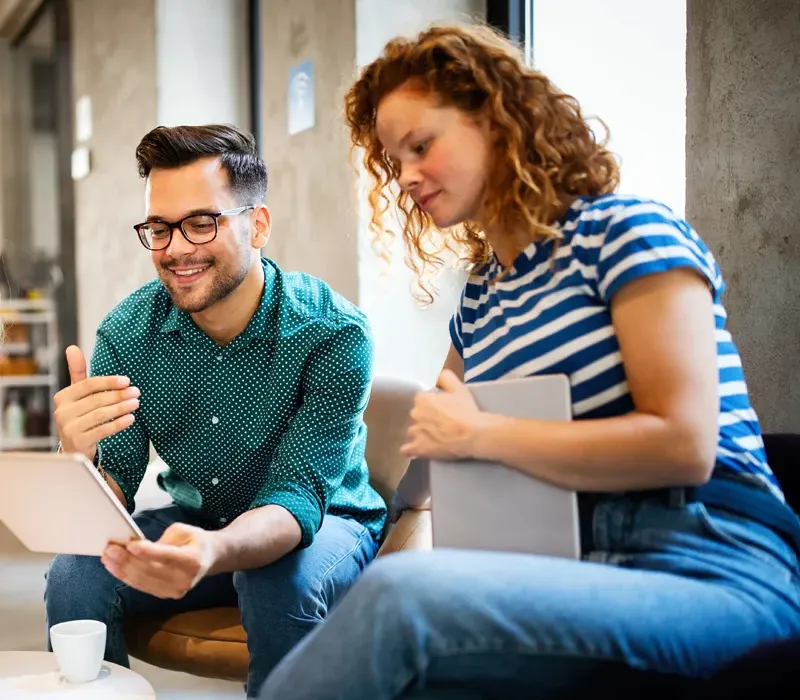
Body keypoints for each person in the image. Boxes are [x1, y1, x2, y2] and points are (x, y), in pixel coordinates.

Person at [256, 23, 800, 700]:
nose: (406, 176)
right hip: (565, 566)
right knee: (404, 636)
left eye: (422, 145)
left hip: (712, 566)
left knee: (402, 598)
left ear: (497, 119)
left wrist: (481, 436)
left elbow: (685, 446)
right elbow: (435, 446)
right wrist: (403, 514)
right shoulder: (484, 296)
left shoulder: (627, 232)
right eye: (395, 159)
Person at [45, 124, 387, 697]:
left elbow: (295, 499)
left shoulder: (333, 331)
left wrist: (216, 551)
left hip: (325, 520)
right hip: (201, 519)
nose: (176, 248)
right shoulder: (128, 334)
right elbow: (115, 489)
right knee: (75, 570)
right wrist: (78, 457)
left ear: (258, 225)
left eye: (201, 222)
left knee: (276, 583)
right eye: (159, 228)